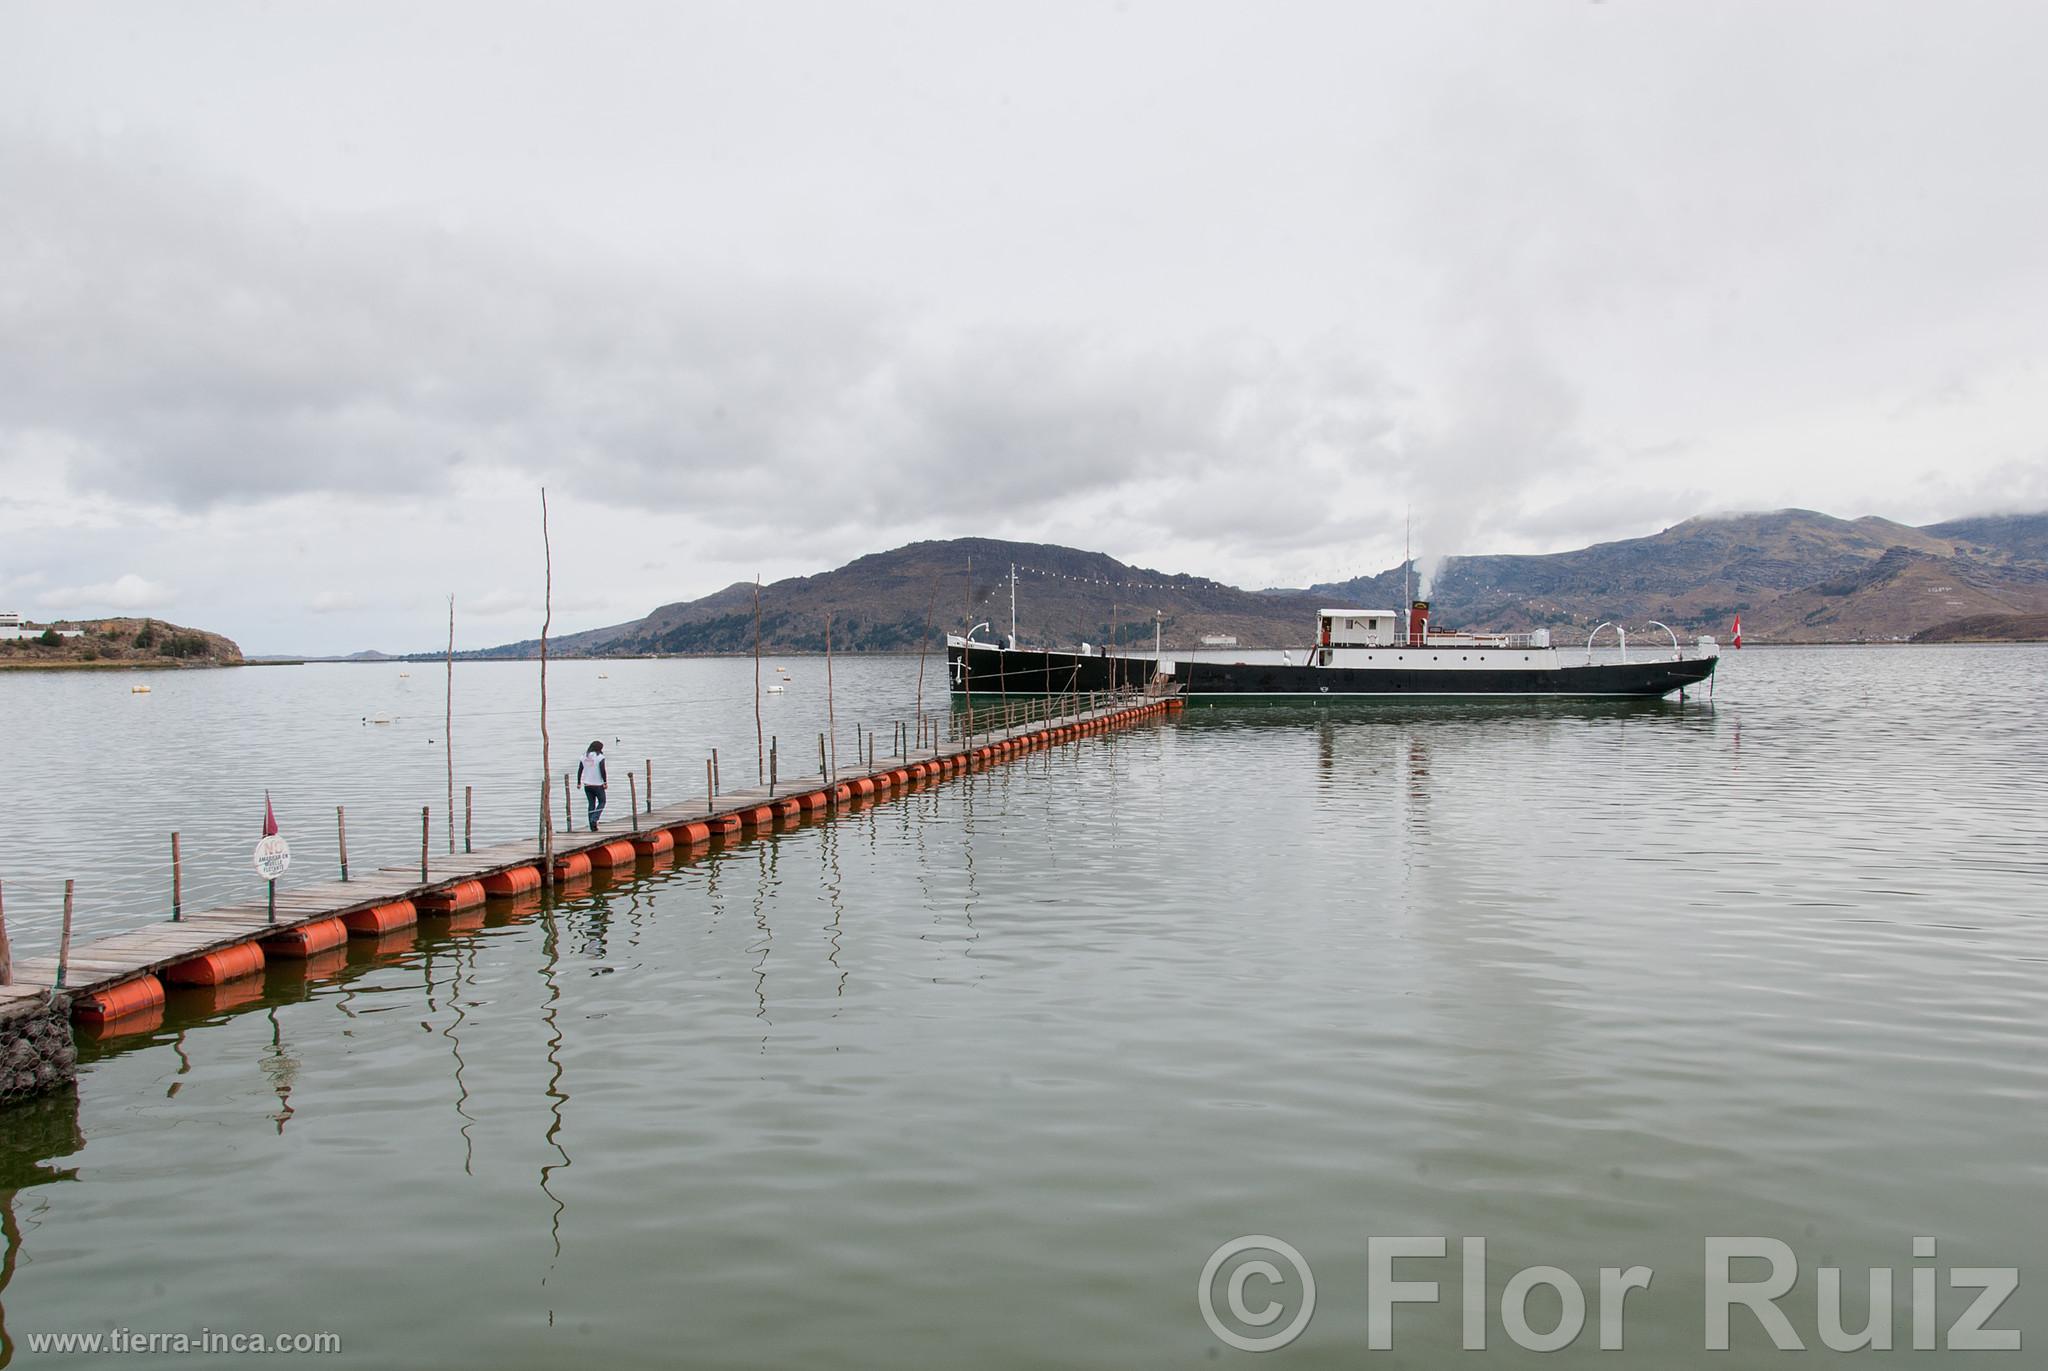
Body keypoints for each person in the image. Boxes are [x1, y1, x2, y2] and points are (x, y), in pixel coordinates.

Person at [579, 740, 608, 831]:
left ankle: (592, 827)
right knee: (602, 801)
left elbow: (580, 769)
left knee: (591, 804)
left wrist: (578, 782)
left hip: (587, 784)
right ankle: (594, 819)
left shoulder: (584, 756)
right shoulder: (599, 757)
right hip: (598, 784)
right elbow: (602, 770)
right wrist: (605, 782)